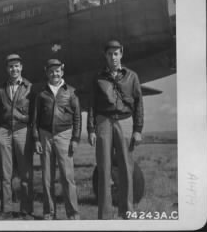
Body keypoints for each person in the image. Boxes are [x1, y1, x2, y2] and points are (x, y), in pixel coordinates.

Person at [87, 40, 144, 219]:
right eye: (110, 54)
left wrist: (137, 129)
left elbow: (138, 104)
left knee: (126, 168)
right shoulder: (98, 77)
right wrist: (91, 129)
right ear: (106, 56)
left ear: (121, 54)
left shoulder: (132, 76)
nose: (113, 57)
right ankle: (105, 215)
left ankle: (127, 212)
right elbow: (92, 105)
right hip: (103, 121)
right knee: (104, 168)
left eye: (116, 53)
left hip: (125, 121)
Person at [33, 59, 81, 220]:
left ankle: (73, 214)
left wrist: (75, 139)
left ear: (62, 72)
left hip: (64, 135)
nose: (55, 74)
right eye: (52, 71)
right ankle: (49, 213)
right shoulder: (41, 94)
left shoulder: (71, 91)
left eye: (58, 71)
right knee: (47, 178)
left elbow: (77, 118)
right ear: (47, 72)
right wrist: (36, 139)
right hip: (45, 135)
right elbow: (35, 119)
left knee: (67, 177)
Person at [0, 54, 34, 220]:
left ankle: (26, 210)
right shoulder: (1, 89)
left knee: (25, 174)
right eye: (11, 66)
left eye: (17, 66)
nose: (14, 69)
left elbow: (34, 112)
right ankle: (6, 210)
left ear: (21, 67)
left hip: (22, 131)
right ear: (7, 69)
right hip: (4, 132)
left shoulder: (30, 87)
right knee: (5, 174)